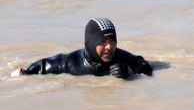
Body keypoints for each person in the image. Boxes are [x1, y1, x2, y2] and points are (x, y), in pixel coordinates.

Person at [12, 18, 153, 79]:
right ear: (91, 43)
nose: (109, 47)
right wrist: (24, 74)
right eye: (103, 41)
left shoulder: (123, 59)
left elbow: (145, 67)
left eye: (112, 41)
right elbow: (35, 70)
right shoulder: (68, 63)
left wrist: (130, 73)